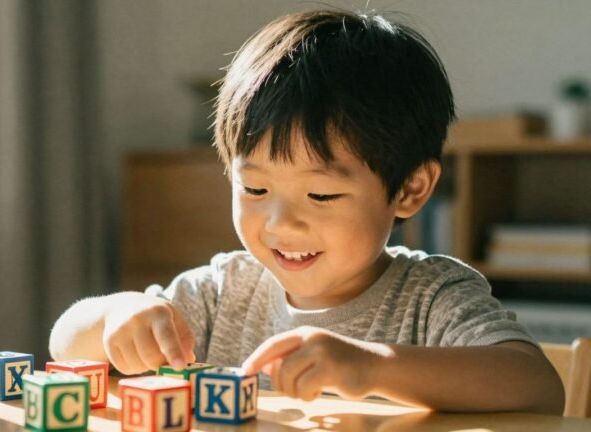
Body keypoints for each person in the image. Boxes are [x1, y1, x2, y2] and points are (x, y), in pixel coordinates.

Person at [50, 9, 564, 414]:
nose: (279, 224)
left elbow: (537, 387)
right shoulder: (222, 292)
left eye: (320, 196)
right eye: (253, 189)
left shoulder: (432, 298)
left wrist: (372, 369)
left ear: (410, 189)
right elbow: (66, 341)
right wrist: (116, 315)